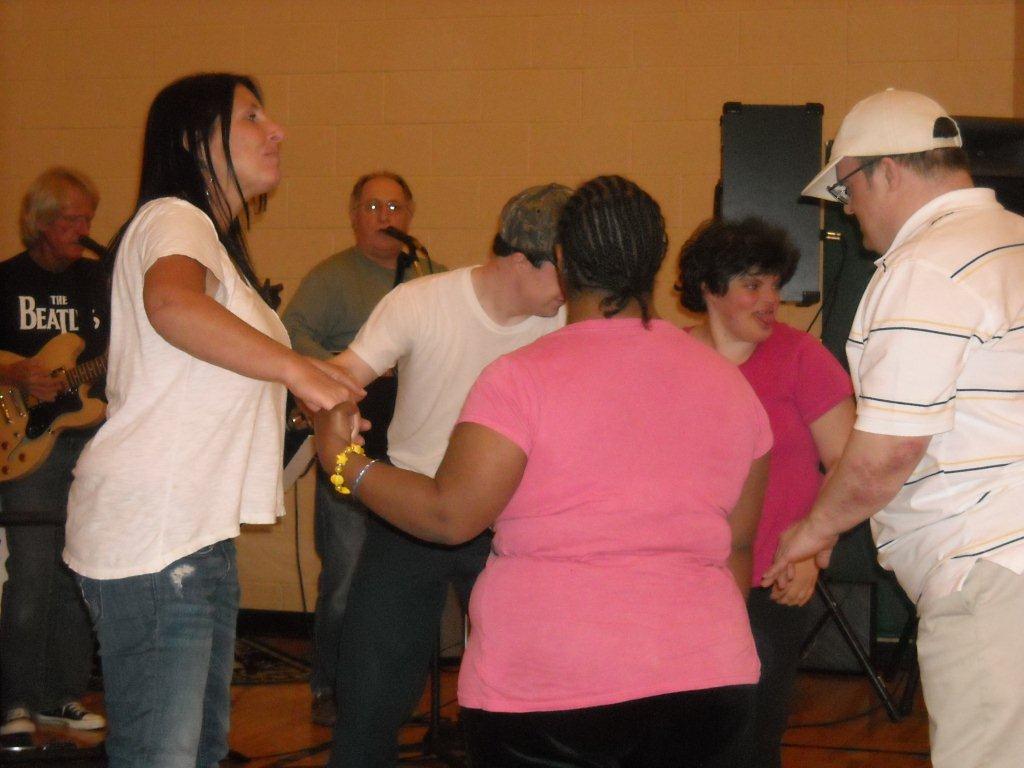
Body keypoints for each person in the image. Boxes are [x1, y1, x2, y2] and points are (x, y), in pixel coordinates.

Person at [317, 175, 773, 768]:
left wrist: (344, 462)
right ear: (655, 263)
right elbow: (737, 546)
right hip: (710, 681)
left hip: (552, 693)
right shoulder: (730, 385)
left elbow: (450, 514)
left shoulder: (520, 377)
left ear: (562, 257)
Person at [62, 73, 355, 767]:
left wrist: (321, 380)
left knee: (197, 753)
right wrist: (297, 371)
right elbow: (172, 306)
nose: (277, 130)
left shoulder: (207, 241)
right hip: (157, 537)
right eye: (252, 116)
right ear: (196, 141)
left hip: (191, 536)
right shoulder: (176, 216)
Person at [765, 89, 1024, 768]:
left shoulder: (925, 267)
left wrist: (814, 531)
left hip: (992, 572)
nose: (847, 212)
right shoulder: (1012, 241)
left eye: (846, 189)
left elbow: (889, 451)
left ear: (886, 170)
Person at [322, 183, 570, 768]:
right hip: (412, 513)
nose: (571, 289)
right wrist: (337, 413)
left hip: (514, 526)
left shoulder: (566, 322)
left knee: (526, 702)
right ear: (520, 260)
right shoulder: (420, 302)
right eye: (564, 272)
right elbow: (339, 376)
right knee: (368, 699)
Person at [677, 217, 855, 768]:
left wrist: (812, 548)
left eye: (775, 285)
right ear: (709, 289)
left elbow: (849, 466)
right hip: (682, 580)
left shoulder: (802, 357)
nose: (771, 300)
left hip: (770, 581)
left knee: (752, 737)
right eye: (752, 285)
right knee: (685, 735)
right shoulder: (669, 359)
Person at [282, 170, 441, 726]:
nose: (385, 217)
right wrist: (342, 369)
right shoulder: (331, 279)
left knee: (409, 578)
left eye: (395, 207)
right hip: (350, 444)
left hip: (417, 454)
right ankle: (331, 688)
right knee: (346, 572)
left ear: (410, 215)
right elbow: (290, 334)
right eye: (373, 207)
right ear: (354, 216)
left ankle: (395, 693)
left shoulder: (430, 279)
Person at [0, 168, 107, 737]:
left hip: (87, 442)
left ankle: (61, 693)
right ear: (39, 222)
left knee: (78, 572)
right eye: (71, 219)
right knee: (31, 573)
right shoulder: (7, 280)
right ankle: (14, 700)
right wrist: (17, 371)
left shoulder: (100, 281)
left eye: (88, 218)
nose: (83, 229)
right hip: (24, 447)